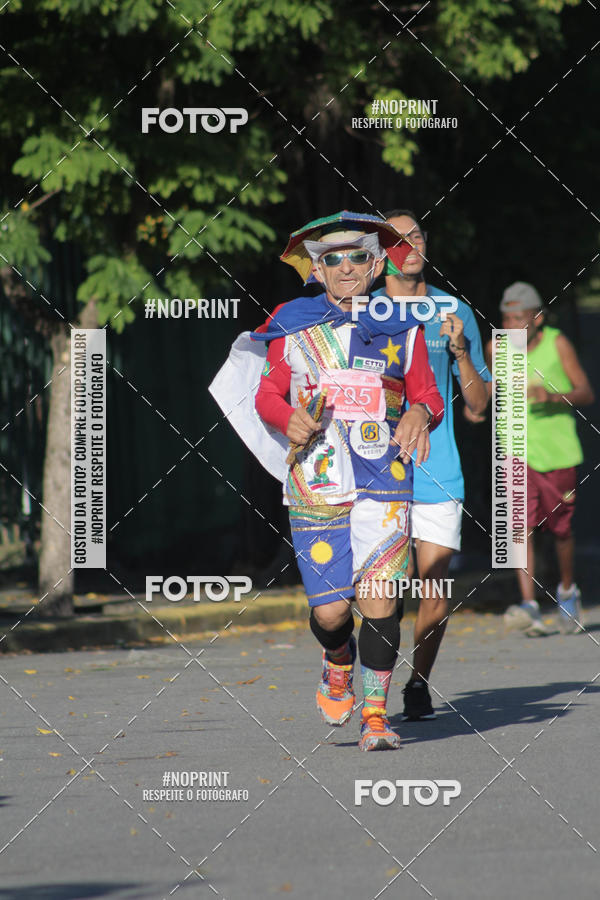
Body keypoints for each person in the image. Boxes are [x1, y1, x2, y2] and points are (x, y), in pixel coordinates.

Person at [210, 211, 444, 750]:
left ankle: (377, 718)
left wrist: (417, 415)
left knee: (381, 595)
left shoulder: (404, 322)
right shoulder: (292, 319)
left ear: (377, 261)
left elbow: (427, 393)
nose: (345, 267)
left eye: (357, 255)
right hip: (315, 478)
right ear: (315, 269)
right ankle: (337, 658)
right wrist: (282, 416)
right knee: (333, 609)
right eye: (331, 258)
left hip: (384, 475)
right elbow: (269, 393)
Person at [373, 209, 491, 720]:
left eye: (416, 233)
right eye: (397, 238)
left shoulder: (453, 309)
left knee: (436, 586)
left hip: (439, 467)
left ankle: (417, 683)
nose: (411, 242)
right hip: (380, 471)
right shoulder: (363, 311)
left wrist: (462, 351)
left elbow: (479, 404)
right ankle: (374, 673)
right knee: (383, 589)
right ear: (381, 256)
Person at [485, 282, 594, 635]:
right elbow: (488, 391)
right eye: (507, 318)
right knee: (519, 528)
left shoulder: (557, 342)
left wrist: (549, 395)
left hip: (557, 451)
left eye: (521, 318)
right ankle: (530, 605)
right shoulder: (496, 349)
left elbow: (585, 392)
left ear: (538, 318)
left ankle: (566, 590)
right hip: (515, 450)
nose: (514, 325)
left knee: (561, 529)